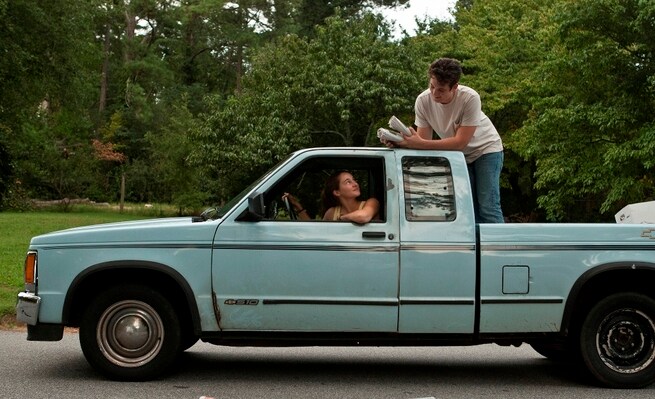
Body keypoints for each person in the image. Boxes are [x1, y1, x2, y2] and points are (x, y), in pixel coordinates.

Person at [385, 57, 504, 223]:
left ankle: (496, 248)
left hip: (485, 150)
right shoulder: (423, 101)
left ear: (454, 87)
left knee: (487, 205)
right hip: (458, 155)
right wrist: (401, 143)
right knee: (467, 207)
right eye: (431, 86)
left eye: (440, 90)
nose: (434, 93)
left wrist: (418, 143)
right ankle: (475, 248)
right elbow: (423, 144)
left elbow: (460, 142)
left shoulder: (470, 98)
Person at [282, 170, 380, 223]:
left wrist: (342, 219)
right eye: (348, 182)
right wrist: (297, 206)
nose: (355, 184)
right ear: (337, 192)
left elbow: (363, 216)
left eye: (354, 180)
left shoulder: (372, 202)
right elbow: (316, 231)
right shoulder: (332, 212)